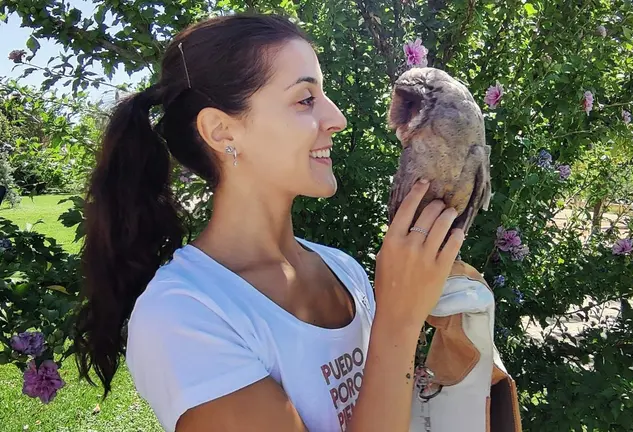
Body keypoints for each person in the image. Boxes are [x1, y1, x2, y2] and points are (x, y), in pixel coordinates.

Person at [73, 13, 465, 432]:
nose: (337, 119)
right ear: (221, 130)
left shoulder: (343, 270)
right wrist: (400, 320)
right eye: (305, 99)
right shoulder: (183, 313)